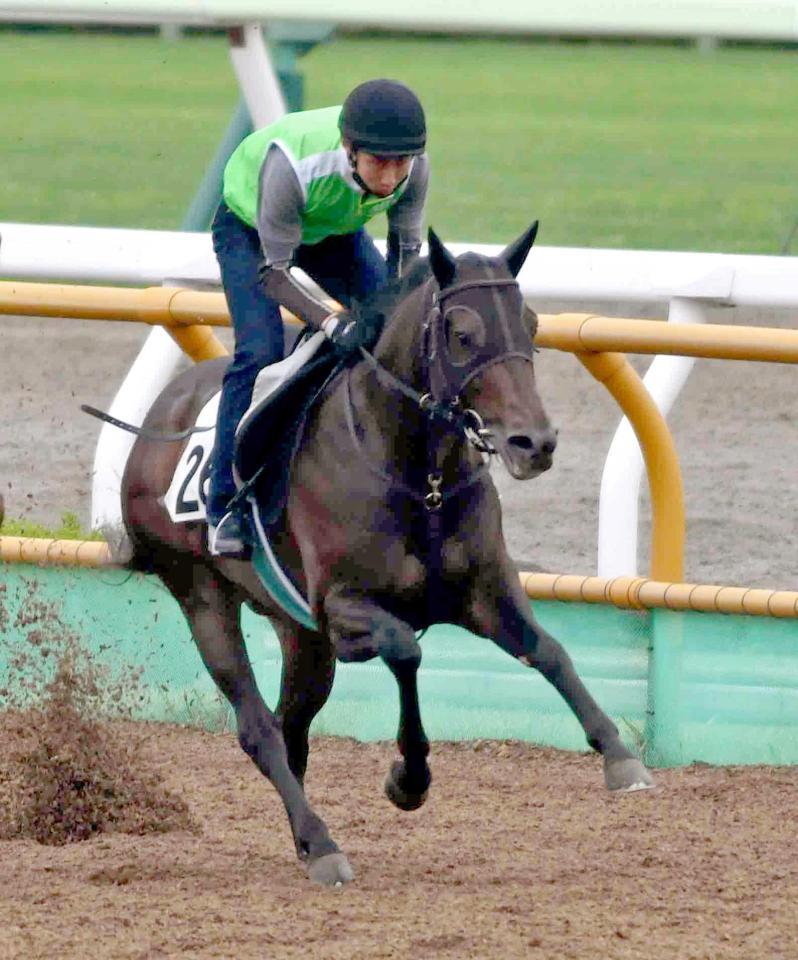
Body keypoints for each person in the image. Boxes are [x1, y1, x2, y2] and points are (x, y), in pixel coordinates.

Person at [206, 78, 430, 557]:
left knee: (391, 335)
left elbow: (405, 262)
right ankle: (226, 505)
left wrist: (392, 320)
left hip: (331, 230)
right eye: (378, 164)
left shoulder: (417, 167)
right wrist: (332, 322)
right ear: (349, 150)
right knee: (261, 350)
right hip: (251, 231)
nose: (391, 179)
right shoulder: (294, 164)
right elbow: (275, 276)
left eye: (401, 164)